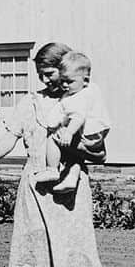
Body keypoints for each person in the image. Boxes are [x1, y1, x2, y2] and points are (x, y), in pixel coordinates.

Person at [0, 42, 107, 267]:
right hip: (36, 184)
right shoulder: (31, 102)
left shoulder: (80, 101)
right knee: (33, 247)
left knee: (74, 249)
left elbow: (99, 152)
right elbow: (10, 136)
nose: (44, 79)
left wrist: (75, 148)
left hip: (68, 187)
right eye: (40, 73)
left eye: (49, 73)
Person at [30, 51, 110, 194]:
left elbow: (100, 156)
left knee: (55, 137)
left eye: (49, 74)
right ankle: (72, 178)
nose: (44, 80)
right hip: (96, 133)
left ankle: (52, 170)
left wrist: (67, 132)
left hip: (86, 135)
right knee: (72, 152)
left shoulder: (76, 97)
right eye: (63, 81)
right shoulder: (89, 89)